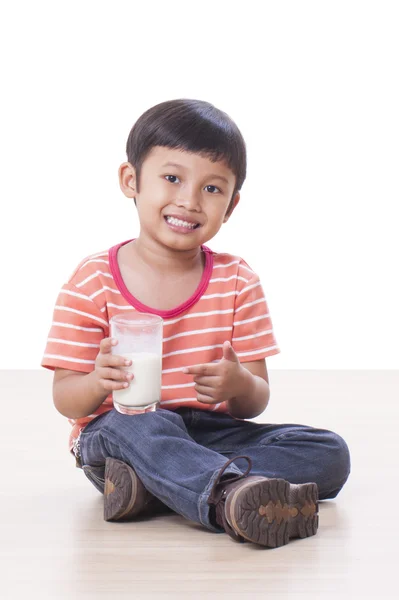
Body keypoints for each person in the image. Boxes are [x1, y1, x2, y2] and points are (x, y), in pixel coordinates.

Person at [41, 98, 350, 548]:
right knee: (141, 430)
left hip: (209, 433)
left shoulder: (237, 280)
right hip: (121, 433)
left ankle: (159, 487)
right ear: (132, 180)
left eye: (212, 189)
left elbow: (256, 400)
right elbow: (67, 400)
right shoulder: (93, 280)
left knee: (328, 453)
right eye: (171, 178)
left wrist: (238, 384)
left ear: (231, 205)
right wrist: (96, 382)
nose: (189, 200)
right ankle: (227, 498)